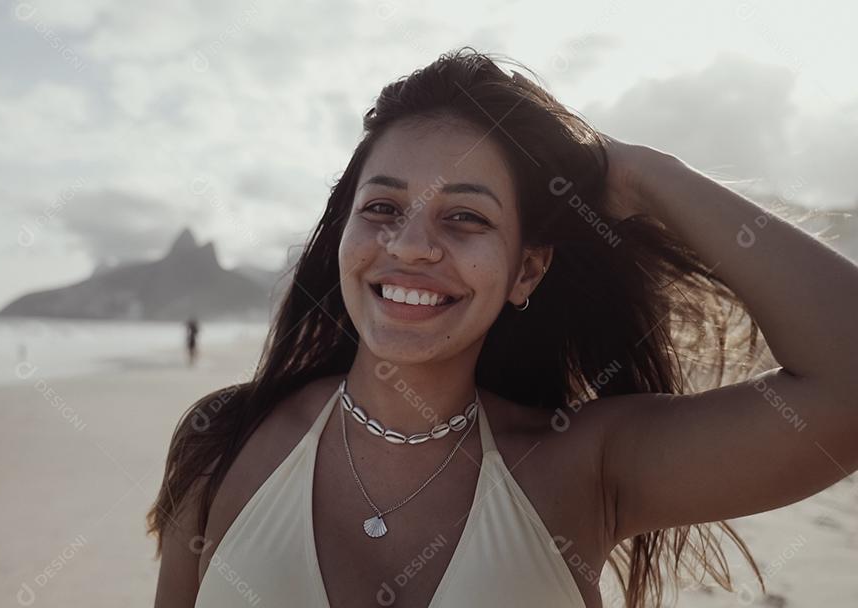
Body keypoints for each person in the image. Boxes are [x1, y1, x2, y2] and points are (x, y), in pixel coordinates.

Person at [147, 48, 858, 608]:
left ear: (526, 271)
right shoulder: (225, 441)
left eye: (465, 217)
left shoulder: (580, 466)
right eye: (383, 208)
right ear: (343, 236)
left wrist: (640, 173)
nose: (411, 246)